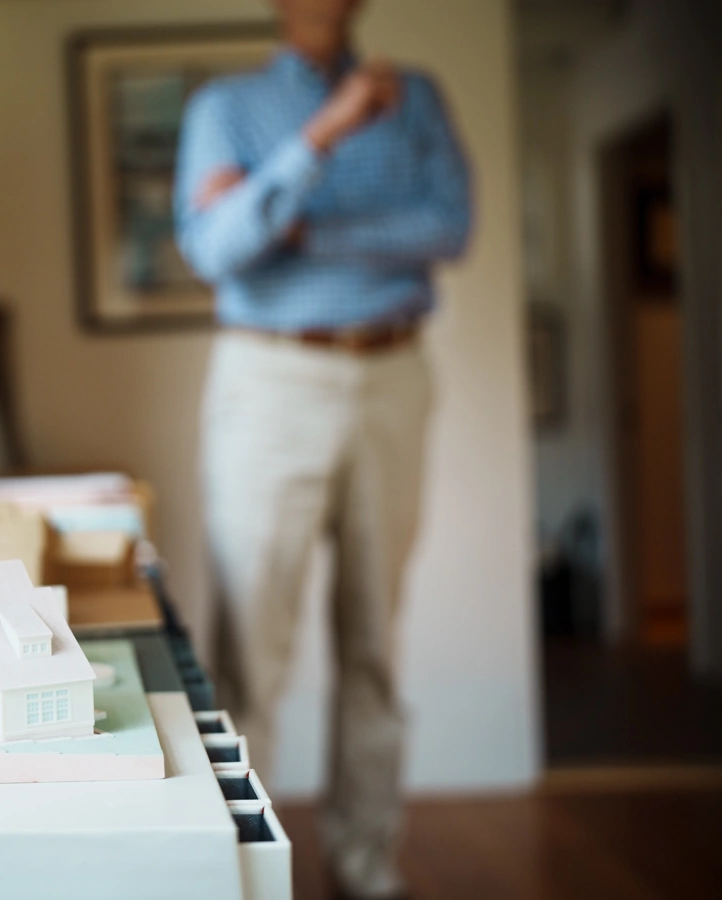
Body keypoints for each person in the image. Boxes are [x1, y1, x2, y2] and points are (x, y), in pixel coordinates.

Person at [173, 1, 472, 897]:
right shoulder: (224, 109)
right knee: (249, 651)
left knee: (374, 643)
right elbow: (219, 249)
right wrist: (326, 135)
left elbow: (446, 230)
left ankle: (365, 862)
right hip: (269, 385)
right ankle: (240, 876)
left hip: (393, 374)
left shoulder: (416, 99)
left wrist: (295, 224)